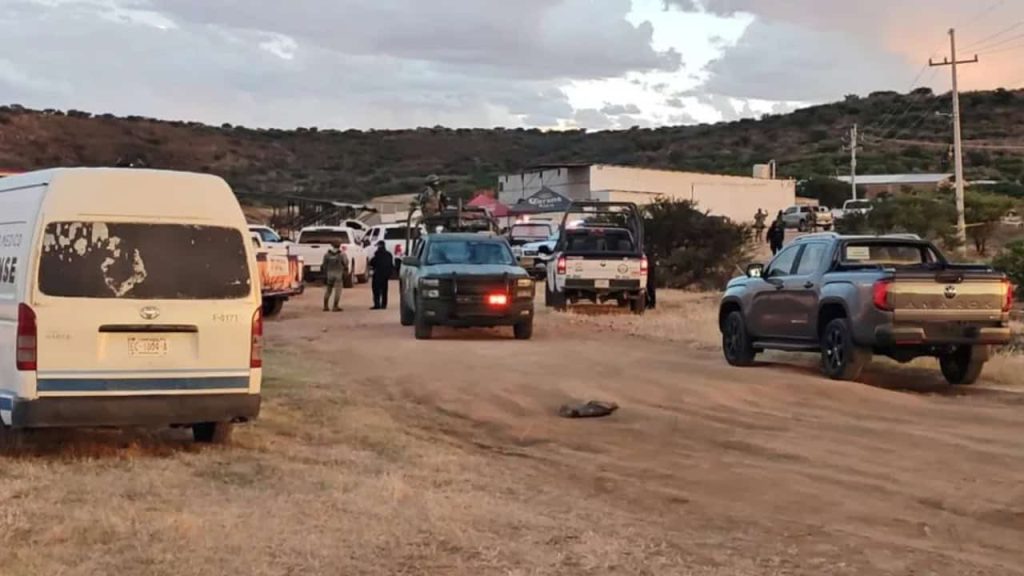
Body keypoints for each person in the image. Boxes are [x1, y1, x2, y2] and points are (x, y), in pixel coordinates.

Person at [322, 241, 349, 312]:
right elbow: (346, 263)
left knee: (328, 290)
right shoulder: (342, 254)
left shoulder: (327, 254)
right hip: (338, 274)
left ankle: (325, 306)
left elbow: (324, 265)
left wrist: (325, 273)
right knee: (338, 291)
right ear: (339, 245)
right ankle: (335, 306)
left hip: (329, 274)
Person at [369, 241, 395, 310]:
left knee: (376, 290)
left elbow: (372, 263)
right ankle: (384, 304)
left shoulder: (377, 254)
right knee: (384, 290)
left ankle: (377, 304)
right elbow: (391, 265)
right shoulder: (389, 254)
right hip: (385, 275)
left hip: (378, 274)